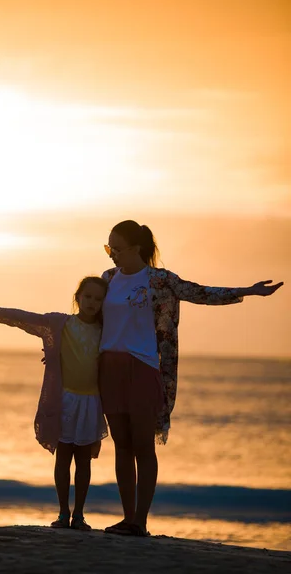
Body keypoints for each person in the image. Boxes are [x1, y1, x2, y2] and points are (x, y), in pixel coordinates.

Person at [99, 219, 283, 537]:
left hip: (143, 367)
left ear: (136, 248)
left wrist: (248, 291)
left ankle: (140, 521)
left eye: (116, 248)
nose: (111, 254)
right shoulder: (107, 279)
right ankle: (127, 518)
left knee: (143, 446)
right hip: (109, 368)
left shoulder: (159, 280)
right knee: (122, 446)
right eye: (108, 248)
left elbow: (200, 293)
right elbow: (90, 318)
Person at [0, 276, 108, 531]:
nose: (92, 302)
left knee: (84, 461)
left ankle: (79, 516)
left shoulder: (108, 330)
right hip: (65, 400)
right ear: (78, 298)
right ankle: (63, 514)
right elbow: (21, 318)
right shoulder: (60, 324)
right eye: (88, 297)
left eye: (98, 298)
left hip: (91, 403)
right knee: (63, 458)